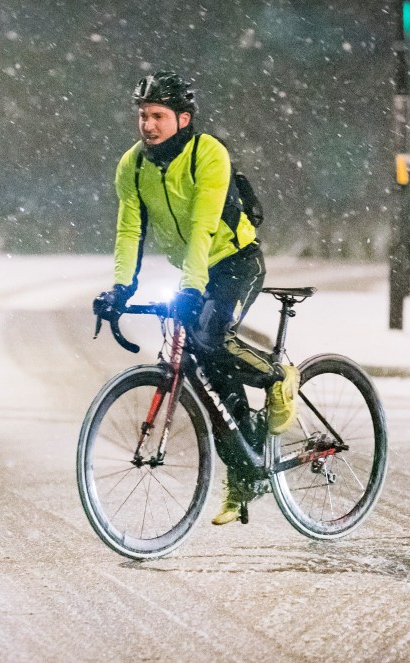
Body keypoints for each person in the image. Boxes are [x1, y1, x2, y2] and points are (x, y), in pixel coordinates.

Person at [94, 70, 298, 526]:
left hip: (234, 262)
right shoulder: (133, 166)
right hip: (195, 269)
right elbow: (130, 230)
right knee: (210, 376)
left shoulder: (208, 154)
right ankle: (245, 468)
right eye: (143, 116)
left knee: (211, 338)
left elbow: (205, 225)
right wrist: (121, 289)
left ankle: (279, 374)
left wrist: (190, 287)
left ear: (183, 118)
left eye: (158, 116)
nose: (148, 125)